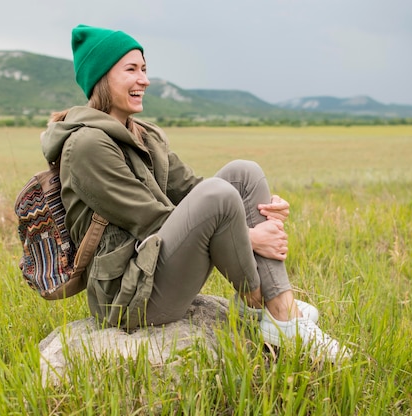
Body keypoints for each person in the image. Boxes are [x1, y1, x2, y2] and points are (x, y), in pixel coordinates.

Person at [40, 24, 350, 362]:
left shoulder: (144, 134)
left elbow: (191, 189)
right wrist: (249, 237)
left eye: (144, 69)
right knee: (219, 195)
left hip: (154, 266)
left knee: (242, 175)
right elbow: (152, 220)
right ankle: (276, 310)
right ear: (102, 78)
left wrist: (262, 209)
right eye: (131, 70)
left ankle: (274, 309)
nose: (144, 79)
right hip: (128, 295)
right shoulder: (86, 145)